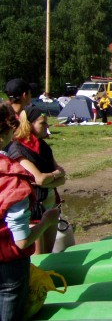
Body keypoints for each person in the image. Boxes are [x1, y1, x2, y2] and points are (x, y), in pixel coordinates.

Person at [0, 102, 60, 321]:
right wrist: (45, 221)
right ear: (8, 131)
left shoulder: (41, 147)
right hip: (8, 267)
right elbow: (22, 242)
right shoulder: (12, 178)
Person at [8, 106, 65, 254]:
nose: (47, 126)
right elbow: (39, 179)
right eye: (42, 123)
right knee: (37, 258)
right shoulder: (17, 148)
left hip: (51, 204)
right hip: (34, 210)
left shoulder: (43, 146)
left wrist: (51, 177)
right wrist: (55, 174)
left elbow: (62, 178)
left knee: (48, 253)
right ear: (29, 124)